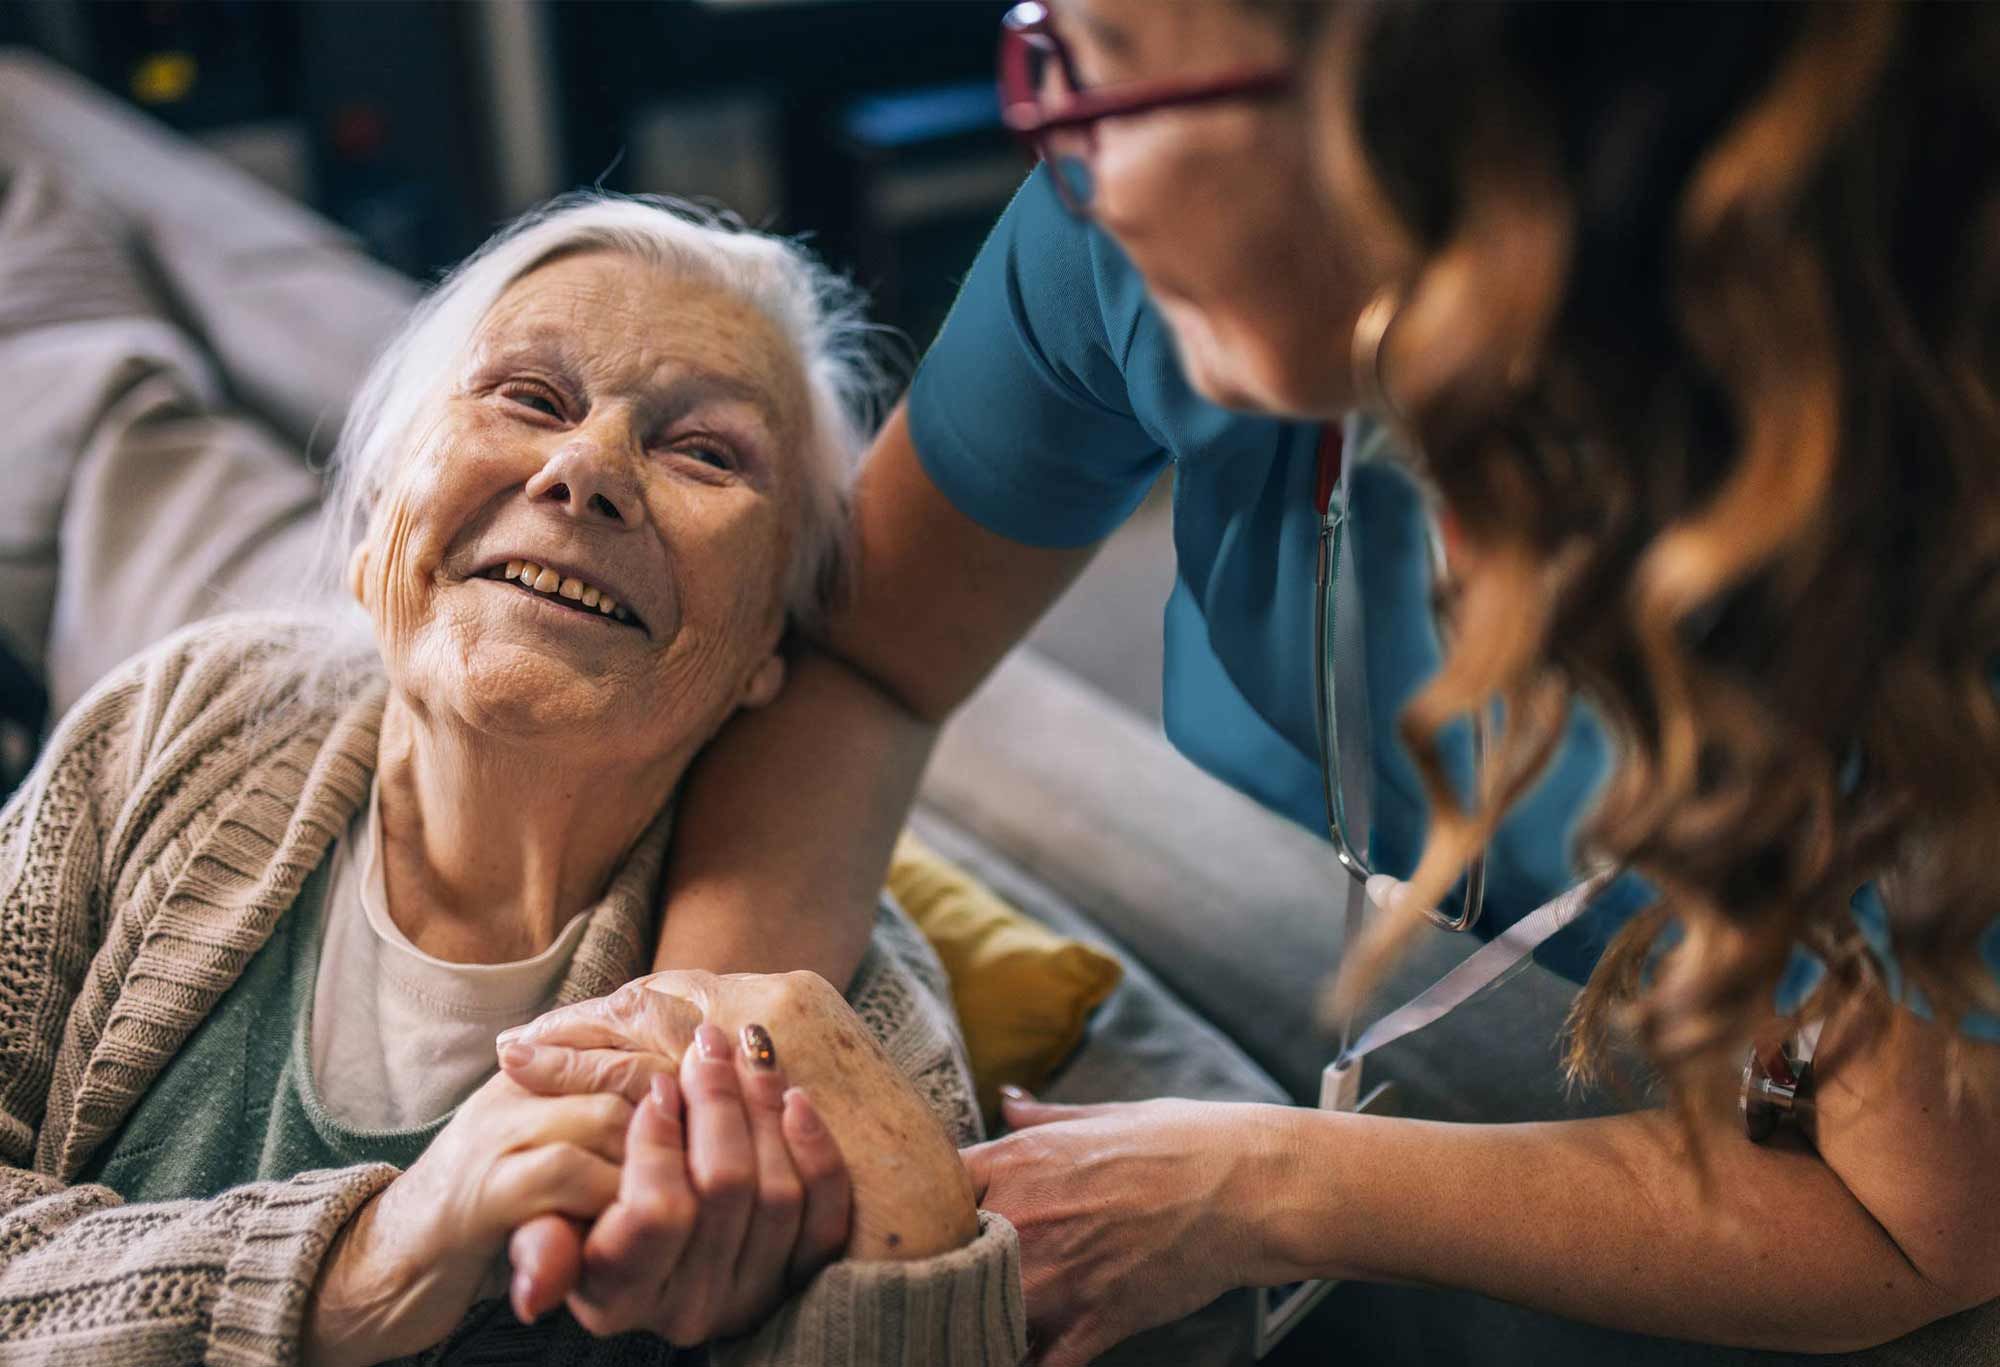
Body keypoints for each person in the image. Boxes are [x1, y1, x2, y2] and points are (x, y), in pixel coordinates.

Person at [519, 1, 2000, 1363]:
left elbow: (1910, 1222)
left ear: (1430, 122)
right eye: (1051, 47)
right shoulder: (1110, 246)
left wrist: (1262, 1179)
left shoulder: (1896, 526)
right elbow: (863, 659)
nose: (1053, 136)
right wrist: (707, 1062)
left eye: (1104, 63)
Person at [0, 184, 1024, 1367]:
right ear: (382, 512)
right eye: (528, 396)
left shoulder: (845, 1032)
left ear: (768, 653)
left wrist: (919, 1257)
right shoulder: (181, 720)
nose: (585, 470)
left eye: (704, 452)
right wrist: (363, 1261)